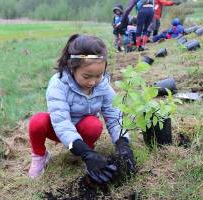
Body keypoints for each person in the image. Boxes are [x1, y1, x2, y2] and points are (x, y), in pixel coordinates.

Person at [28, 34, 135, 183]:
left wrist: (123, 144)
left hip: (82, 129)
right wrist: (85, 153)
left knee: (93, 124)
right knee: (37, 121)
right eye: (86, 76)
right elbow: (62, 123)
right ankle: (40, 156)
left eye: (99, 75)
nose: (92, 82)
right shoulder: (59, 84)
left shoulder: (102, 85)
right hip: (59, 129)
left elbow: (114, 115)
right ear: (72, 67)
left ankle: (87, 151)